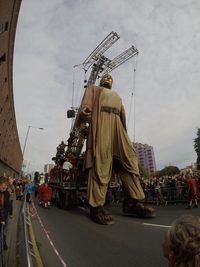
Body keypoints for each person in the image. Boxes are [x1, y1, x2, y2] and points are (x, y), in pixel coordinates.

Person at [78, 74, 155, 225]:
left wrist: (123, 134)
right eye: (105, 77)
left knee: (130, 160)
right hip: (102, 123)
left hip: (118, 126)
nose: (107, 78)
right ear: (101, 81)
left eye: (110, 78)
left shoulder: (118, 96)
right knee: (101, 161)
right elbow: (86, 105)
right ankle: (96, 206)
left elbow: (123, 115)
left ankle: (133, 201)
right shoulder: (93, 89)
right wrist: (85, 110)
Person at [0, 177, 10, 250]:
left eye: (6, 187)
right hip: (1, 216)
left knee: (4, 231)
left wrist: (5, 217)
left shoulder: (7, 193)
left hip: (4, 215)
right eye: (3, 187)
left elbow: (7, 206)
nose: (5, 188)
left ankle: (3, 243)